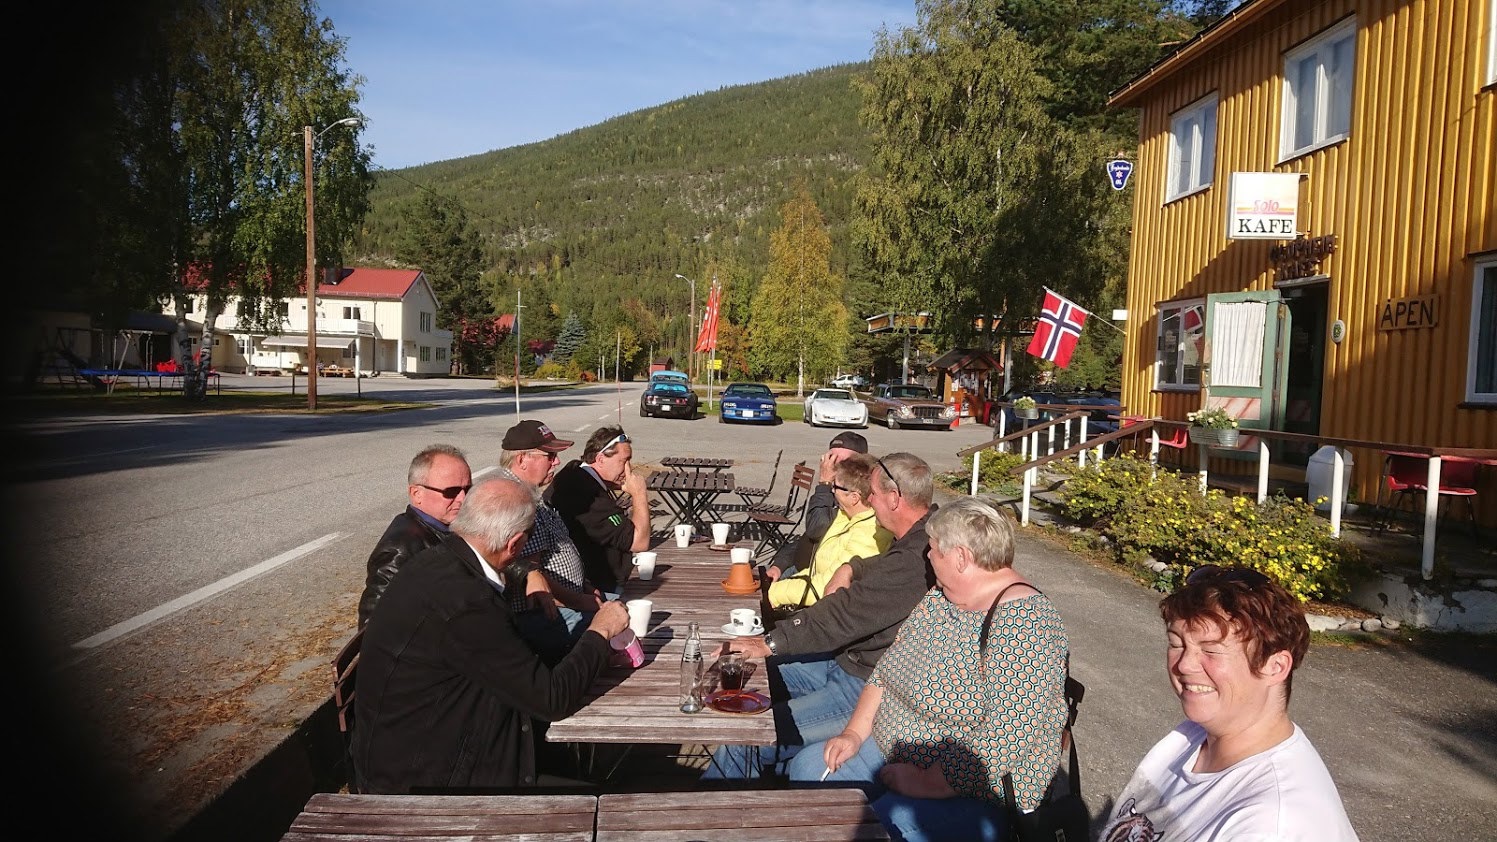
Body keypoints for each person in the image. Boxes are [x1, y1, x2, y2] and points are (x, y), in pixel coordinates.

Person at [793, 497, 1069, 842]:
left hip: (975, 790)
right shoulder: (943, 596)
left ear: (961, 558)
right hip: (895, 749)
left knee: (862, 828)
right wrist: (853, 734)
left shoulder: (1026, 624)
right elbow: (886, 671)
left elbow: (1006, 736)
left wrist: (928, 782)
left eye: (934, 548)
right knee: (807, 767)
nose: (927, 555)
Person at [352, 478, 629, 794]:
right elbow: (552, 700)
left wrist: (590, 652)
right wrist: (600, 632)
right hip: (430, 782)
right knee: (604, 801)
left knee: (584, 772)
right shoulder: (467, 602)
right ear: (515, 544)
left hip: (426, 746)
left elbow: (507, 663)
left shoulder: (441, 562)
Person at [704, 452, 936, 780]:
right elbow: (882, 567)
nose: (869, 500)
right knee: (751, 674)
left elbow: (841, 616)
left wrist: (768, 643)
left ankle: (711, 804)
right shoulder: (919, 538)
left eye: (873, 493)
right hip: (840, 662)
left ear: (895, 498)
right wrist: (852, 567)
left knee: (747, 738)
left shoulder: (920, 555)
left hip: (863, 687)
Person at [1099, 565, 1359, 841]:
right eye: (1176, 644)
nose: (1184, 664)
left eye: (1211, 649)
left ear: (1275, 666)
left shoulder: (1271, 825)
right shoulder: (1194, 736)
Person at [496, 419, 604, 666]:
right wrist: (580, 601)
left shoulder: (528, 492)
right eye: (550, 456)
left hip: (567, 601)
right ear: (522, 459)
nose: (556, 462)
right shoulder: (514, 499)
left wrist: (585, 586)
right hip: (537, 615)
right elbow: (531, 579)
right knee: (612, 627)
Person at [357, 444, 472, 628]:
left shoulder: (452, 526)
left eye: (468, 489)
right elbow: (374, 626)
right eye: (451, 492)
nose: (462, 499)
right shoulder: (400, 549)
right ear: (417, 493)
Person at [766, 452, 891, 611]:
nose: (831, 490)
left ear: (854, 497)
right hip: (812, 599)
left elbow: (828, 584)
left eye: (835, 486)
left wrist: (775, 593)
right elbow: (816, 570)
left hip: (832, 611)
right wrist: (780, 581)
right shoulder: (846, 516)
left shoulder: (870, 534)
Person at [546, 425, 651, 595]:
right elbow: (639, 543)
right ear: (601, 459)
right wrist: (639, 493)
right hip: (599, 588)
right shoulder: (586, 493)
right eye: (624, 461)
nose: (628, 469)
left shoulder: (575, 471)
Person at [763, 432, 869, 581]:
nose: (833, 467)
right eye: (831, 459)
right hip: (797, 568)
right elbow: (806, 538)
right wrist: (779, 565)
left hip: (813, 579)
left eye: (843, 461)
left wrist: (824, 483)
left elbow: (816, 529)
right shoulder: (833, 491)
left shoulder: (856, 502)